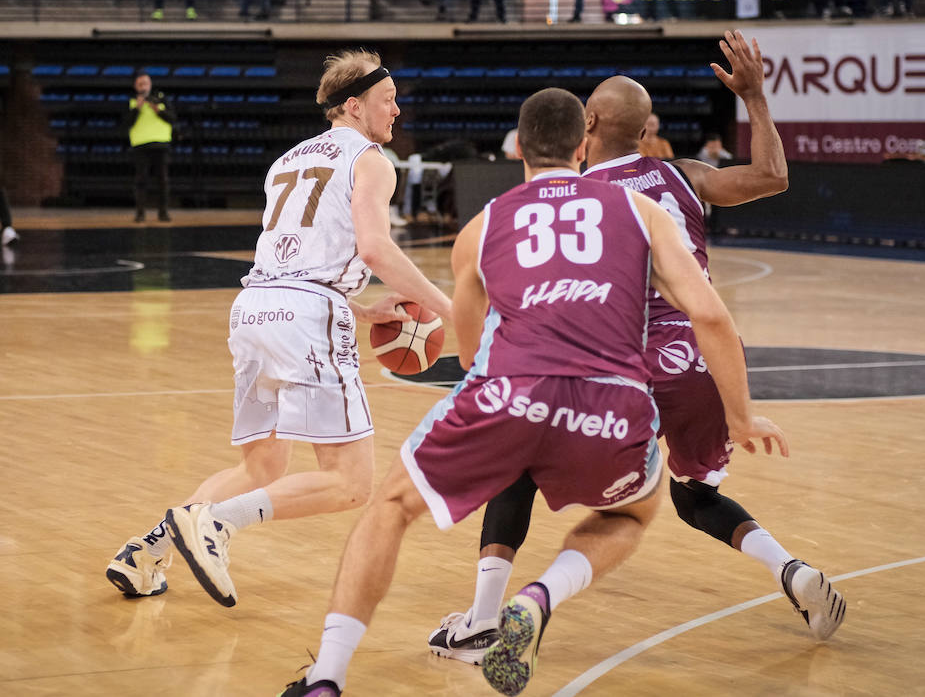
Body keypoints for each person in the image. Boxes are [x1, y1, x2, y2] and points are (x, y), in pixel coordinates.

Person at [277, 87, 788, 697]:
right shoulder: (640, 211)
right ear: (581, 145)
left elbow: (470, 355)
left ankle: (327, 677)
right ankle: (540, 596)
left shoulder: (482, 226)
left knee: (388, 507)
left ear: (518, 147)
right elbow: (711, 318)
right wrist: (742, 415)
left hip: (511, 391)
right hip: (610, 402)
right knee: (633, 509)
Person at [426, 35, 843, 672]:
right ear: (646, 130)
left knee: (524, 466)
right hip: (702, 364)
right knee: (695, 495)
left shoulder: (589, 195)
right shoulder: (682, 176)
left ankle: (488, 617)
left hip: (623, 367)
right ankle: (792, 572)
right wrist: (755, 97)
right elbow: (773, 177)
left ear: (588, 123)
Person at [105, 51, 453, 606]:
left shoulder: (286, 160)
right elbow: (376, 249)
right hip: (306, 316)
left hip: (254, 307)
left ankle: (148, 552)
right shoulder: (370, 158)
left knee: (261, 465)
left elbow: (297, 256)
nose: (397, 111)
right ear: (355, 105)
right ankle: (217, 525)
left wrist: (361, 311)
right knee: (350, 483)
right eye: (388, 100)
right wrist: (450, 307)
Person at [126, 73, 175, 223]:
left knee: (163, 181)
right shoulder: (132, 102)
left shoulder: (161, 100)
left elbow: (173, 118)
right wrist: (137, 108)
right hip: (141, 145)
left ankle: (163, 212)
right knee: (141, 180)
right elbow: (126, 123)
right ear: (136, 86)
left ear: (150, 84)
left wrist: (158, 110)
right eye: (140, 84)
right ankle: (140, 213)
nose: (144, 86)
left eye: (146, 83)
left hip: (160, 144)